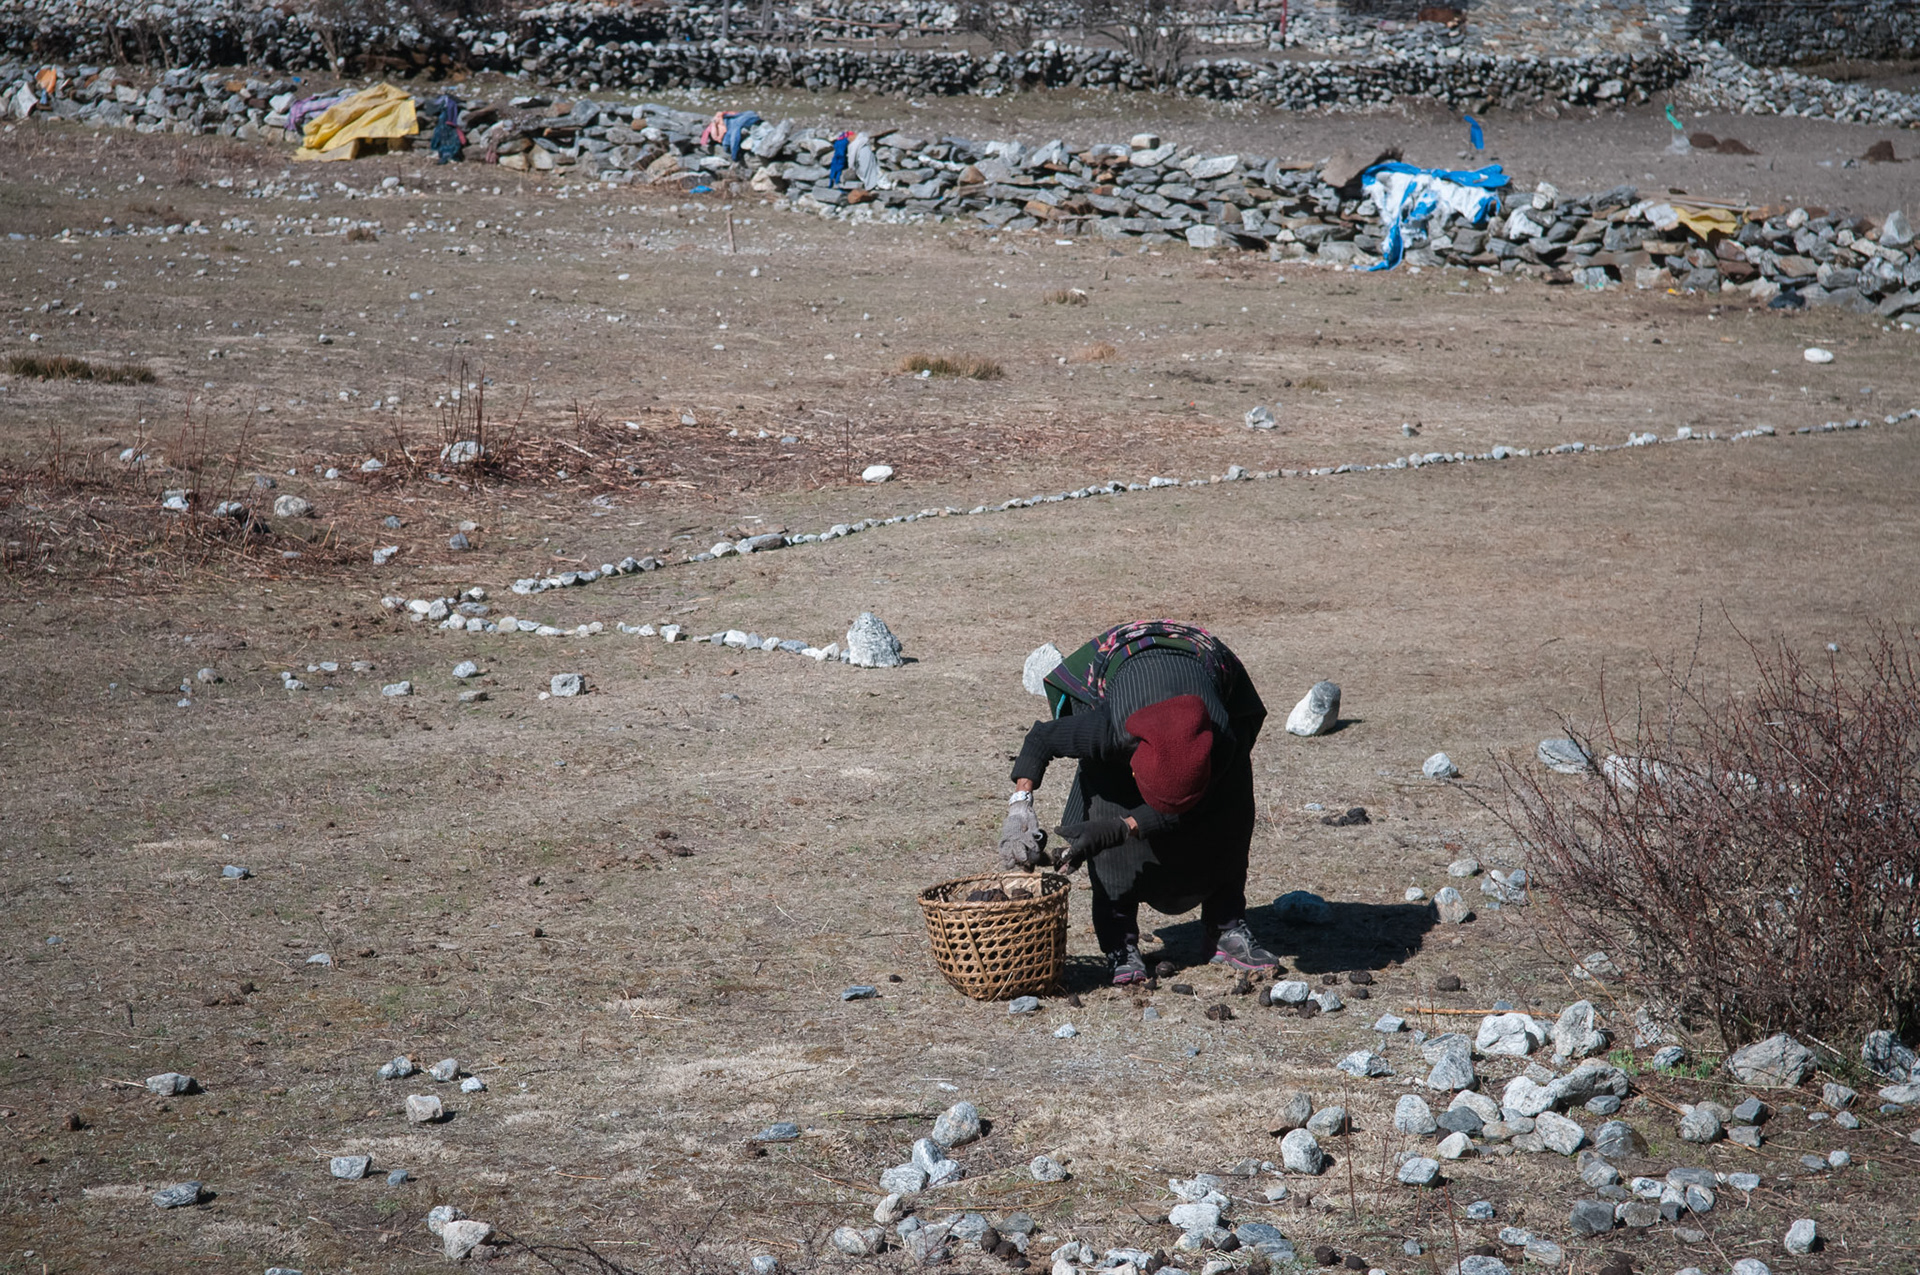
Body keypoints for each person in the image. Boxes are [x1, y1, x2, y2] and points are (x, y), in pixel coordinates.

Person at [998, 620, 1277, 985]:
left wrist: (1118, 830)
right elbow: (1040, 740)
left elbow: (1188, 807)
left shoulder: (1220, 735)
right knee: (1106, 799)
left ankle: (1226, 925)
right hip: (1123, 672)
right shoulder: (1109, 728)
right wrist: (1021, 806)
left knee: (1228, 812)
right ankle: (1120, 942)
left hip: (1200, 673)